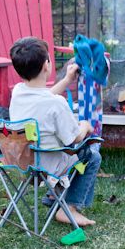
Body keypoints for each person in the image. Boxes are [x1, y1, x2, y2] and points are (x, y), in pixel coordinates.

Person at [7, 36, 101, 227]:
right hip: (47, 165)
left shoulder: (18, 92)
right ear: (46, 66)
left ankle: (53, 195)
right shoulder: (56, 104)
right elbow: (73, 138)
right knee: (92, 155)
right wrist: (85, 125)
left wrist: (67, 80)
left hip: (22, 161)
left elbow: (43, 97)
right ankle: (70, 208)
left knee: (54, 147)